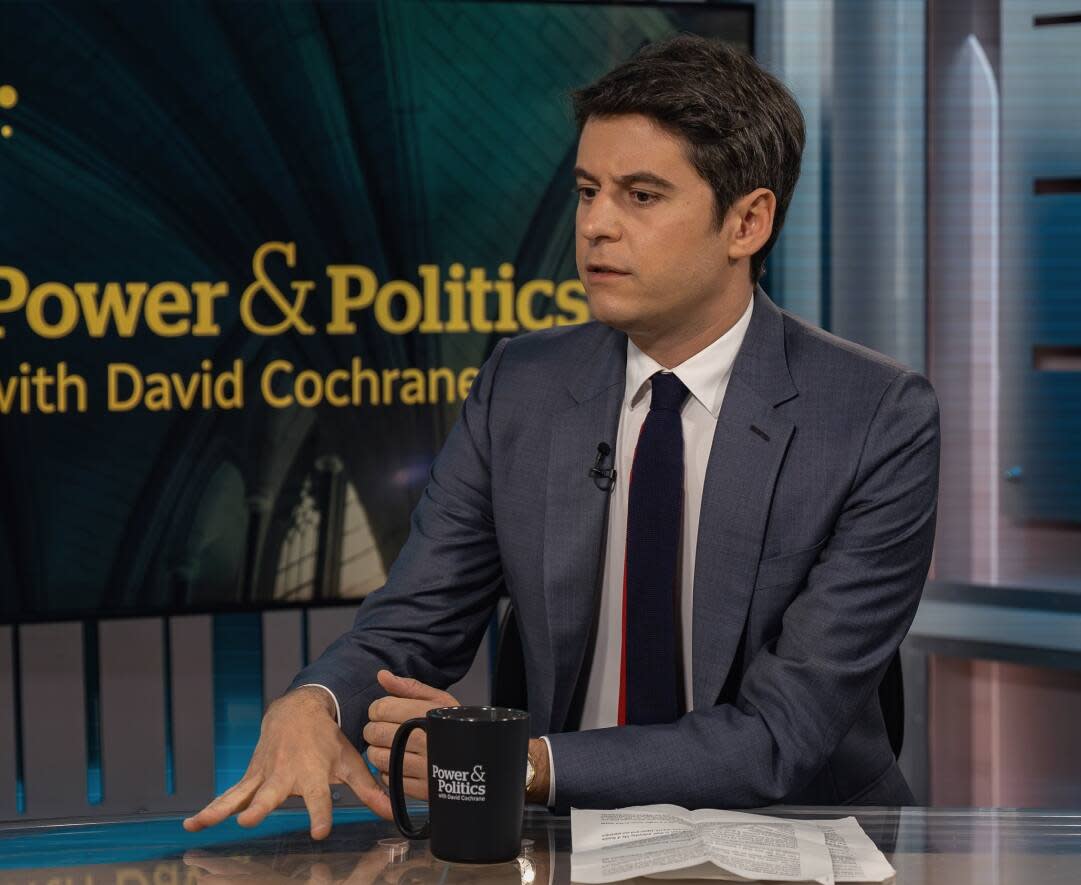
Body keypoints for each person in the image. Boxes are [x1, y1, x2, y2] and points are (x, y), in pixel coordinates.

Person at [184, 34, 939, 840]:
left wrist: (526, 762)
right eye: (586, 192)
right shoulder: (522, 385)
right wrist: (316, 700)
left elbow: (780, 736)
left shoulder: (876, 418)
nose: (595, 227)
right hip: (563, 843)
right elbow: (415, 622)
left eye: (640, 196)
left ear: (747, 221)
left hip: (800, 840)